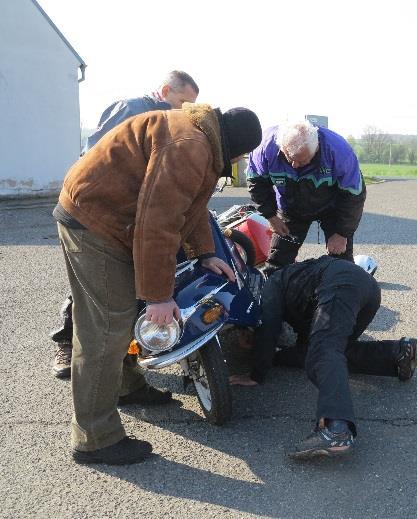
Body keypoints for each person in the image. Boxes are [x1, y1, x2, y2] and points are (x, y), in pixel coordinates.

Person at [55, 102, 262, 465]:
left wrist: (203, 253)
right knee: (105, 329)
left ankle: (126, 386)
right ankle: (94, 439)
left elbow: (191, 206)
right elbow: (157, 224)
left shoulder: (202, 135)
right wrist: (159, 296)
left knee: (117, 320)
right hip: (95, 222)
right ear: (235, 145)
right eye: (244, 154)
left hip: (111, 216)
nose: (243, 160)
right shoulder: (190, 147)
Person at [50, 70, 200, 379]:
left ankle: (130, 358)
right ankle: (66, 342)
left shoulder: (174, 125)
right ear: (164, 90)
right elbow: (97, 154)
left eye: (191, 105)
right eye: (183, 101)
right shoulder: (132, 109)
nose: (185, 110)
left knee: (127, 283)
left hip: (133, 215)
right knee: (96, 285)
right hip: (98, 212)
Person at [241, 255, 417, 460]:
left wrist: (257, 373)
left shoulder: (272, 284)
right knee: (332, 350)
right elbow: (302, 349)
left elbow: (268, 326)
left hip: (340, 286)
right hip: (368, 289)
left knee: (323, 351)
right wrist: (276, 358)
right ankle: (398, 354)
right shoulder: (296, 282)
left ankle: (336, 428)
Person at [246, 121, 366, 276]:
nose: (294, 165)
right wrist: (271, 216)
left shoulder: (339, 152)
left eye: (302, 161)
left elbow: (354, 196)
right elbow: (256, 184)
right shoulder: (265, 147)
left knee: (341, 260)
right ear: (282, 147)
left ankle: (343, 291)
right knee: (277, 262)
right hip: (290, 206)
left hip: (332, 207)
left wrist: (342, 233)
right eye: (289, 158)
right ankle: (274, 294)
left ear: (315, 150)